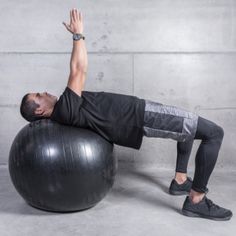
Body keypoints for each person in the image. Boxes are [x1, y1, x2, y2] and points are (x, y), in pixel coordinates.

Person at [19, 8, 232, 221]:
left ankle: (180, 181)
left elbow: (78, 71)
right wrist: (78, 35)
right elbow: (78, 69)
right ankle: (197, 200)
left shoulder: (65, 109)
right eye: (39, 95)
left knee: (188, 124)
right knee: (213, 133)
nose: (45, 92)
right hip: (142, 117)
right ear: (40, 110)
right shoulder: (64, 109)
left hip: (141, 110)